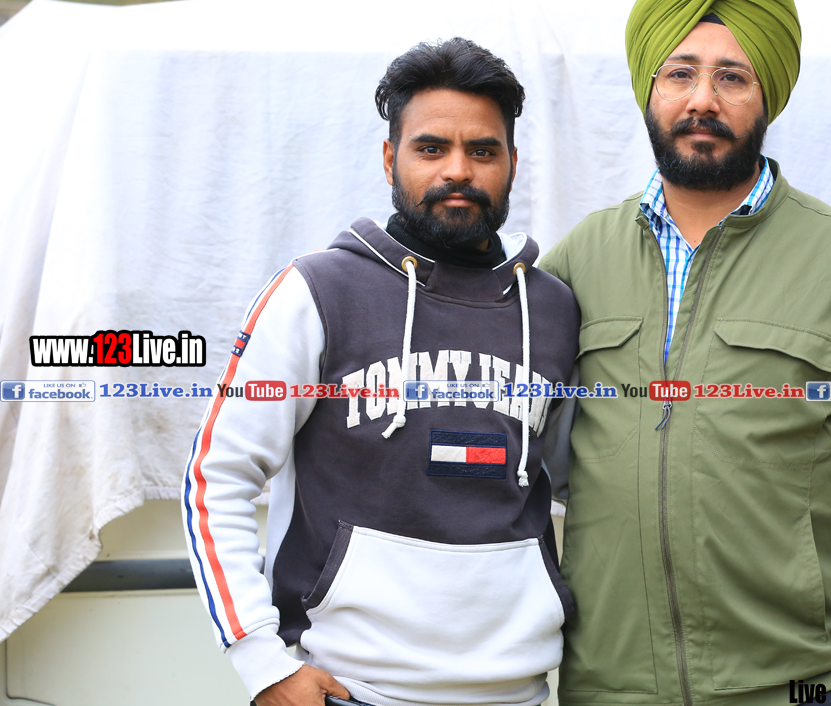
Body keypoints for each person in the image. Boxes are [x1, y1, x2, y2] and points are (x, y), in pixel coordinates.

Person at [538, 0, 831, 706]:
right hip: (610, 689)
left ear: (766, 94)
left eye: (731, 77)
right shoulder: (579, 262)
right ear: (648, 87)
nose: (702, 99)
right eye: (680, 73)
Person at [182, 37, 579, 706]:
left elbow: (581, 480)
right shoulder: (317, 292)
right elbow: (215, 476)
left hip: (518, 692)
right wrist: (263, 663)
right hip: (348, 688)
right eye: (432, 148)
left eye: (483, 151)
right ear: (391, 158)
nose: (458, 170)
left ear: (512, 162)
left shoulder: (552, 308)